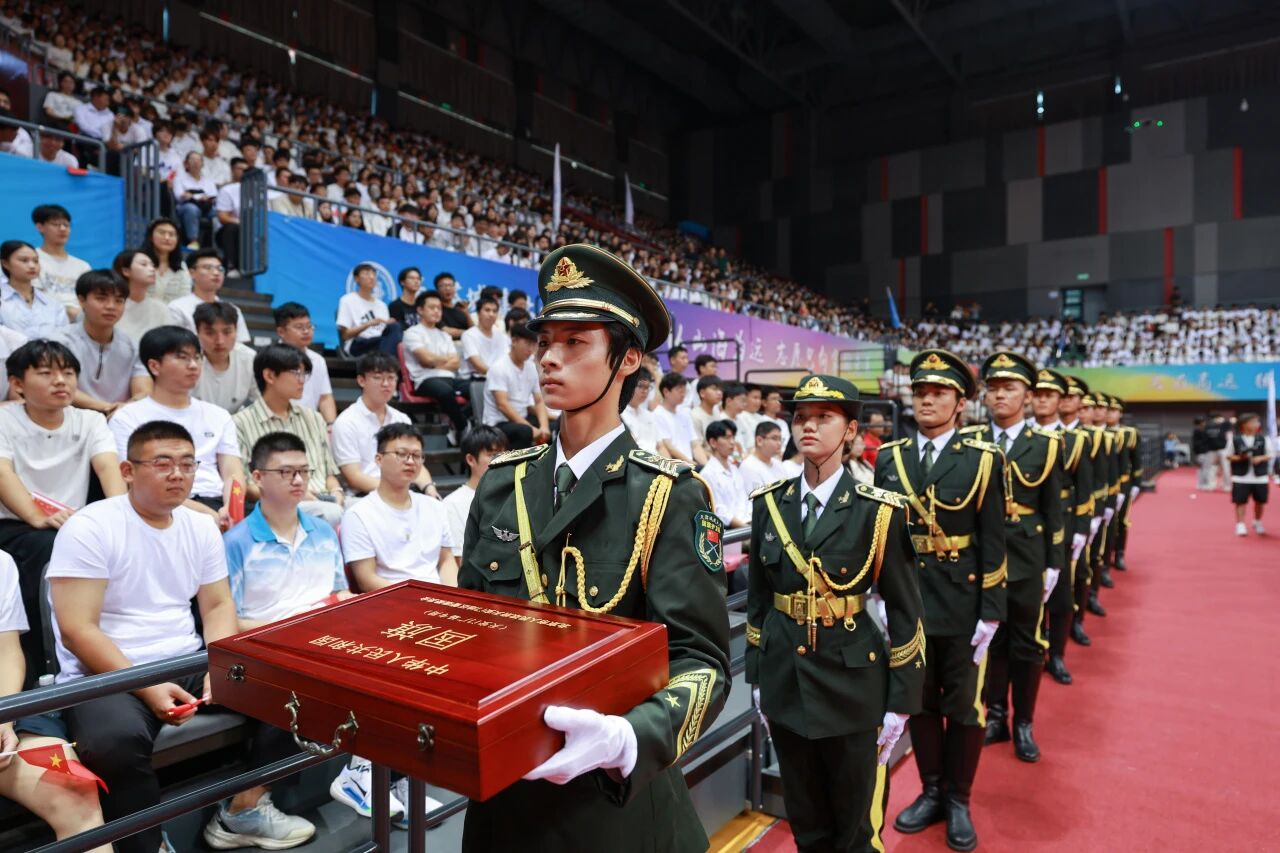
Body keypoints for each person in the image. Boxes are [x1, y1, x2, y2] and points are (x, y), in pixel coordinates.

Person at [458, 244, 730, 851]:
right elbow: (469, 623)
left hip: (615, 803)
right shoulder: (502, 483)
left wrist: (629, 737)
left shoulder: (667, 495)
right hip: (505, 796)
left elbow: (703, 661)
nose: (549, 358)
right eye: (545, 341)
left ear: (627, 359)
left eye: (575, 342)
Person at [49, 420, 314, 853]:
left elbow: (218, 606)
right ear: (128, 471)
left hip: (184, 659)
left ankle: (245, 808)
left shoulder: (200, 526)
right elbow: (78, 630)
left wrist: (220, 665)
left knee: (299, 687)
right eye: (163, 463)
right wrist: (148, 688)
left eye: (188, 464)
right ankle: (146, 845)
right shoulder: (90, 527)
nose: (178, 474)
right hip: (105, 672)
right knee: (113, 741)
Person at [746, 373, 924, 853]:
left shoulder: (879, 511)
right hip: (786, 679)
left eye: (824, 417)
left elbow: (905, 611)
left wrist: (901, 701)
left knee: (853, 829)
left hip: (853, 684)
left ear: (850, 431)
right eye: (801, 417)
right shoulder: (770, 504)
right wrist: (757, 678)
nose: (808, 426)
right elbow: (760, 602)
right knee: (805, 821)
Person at [875, 348, 1006, 852]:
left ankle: (959, 799)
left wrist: (991, 611)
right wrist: (881, 595)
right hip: (910, 604)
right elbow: (885, 537)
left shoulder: (983, 459)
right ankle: (931, 790)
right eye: (921, 392)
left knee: (965, 708)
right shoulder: (891, 458)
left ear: (961, 403)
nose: (927, 401)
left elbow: (993, 539)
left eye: (939, 393)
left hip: (963, 603)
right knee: (921, 703)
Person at [0, 340, 126, 684]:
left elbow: (108, 467)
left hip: (75, 524)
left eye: (68, 373)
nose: (60, 381)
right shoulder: (4, 419)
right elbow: (3, 473)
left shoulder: (89, 420)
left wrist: (122, 519)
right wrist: (36, 516)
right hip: (17, 525)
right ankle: (43, 666)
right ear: (17, 384)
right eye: (46, 373)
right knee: (48, 548)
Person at [961, 352, 1063, 765]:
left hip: (1025, 557)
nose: (1000, 395)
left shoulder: (1047, 445)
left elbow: (1052, 508)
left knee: (1026, 644)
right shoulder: (970, 440)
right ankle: (995, 716)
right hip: (979, 559)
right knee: (990, 642)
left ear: (1027, 396)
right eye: (994, 388)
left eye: (1010, 388)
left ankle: (1023, 722)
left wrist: (1054, 562)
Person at [0, 549, 110, 852]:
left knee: (73, 789)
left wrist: (4, 718)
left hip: (5, 708)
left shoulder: (1, 563)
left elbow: (7, 653)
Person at [109, 326, 245, 531]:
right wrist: (205, 515)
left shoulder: (218, 415)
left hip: (217, 504)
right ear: (154, 366)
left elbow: (233, 473)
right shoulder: (127, 417)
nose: (193, 365)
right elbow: (133, 482)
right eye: (182, 357)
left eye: (197, 357)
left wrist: (231, 509)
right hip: (160, 505)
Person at [224, 431, 351, 629]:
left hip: (328, 631)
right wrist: (293, 628)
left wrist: (349, 600)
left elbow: (339, 592)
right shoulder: (235, 543)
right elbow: (229, 622)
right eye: (286, 472)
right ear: (258, 477)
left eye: (304, 471)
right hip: (271, 639)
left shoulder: (324, 532)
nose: (299, 480)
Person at [233, 345, 344, 526]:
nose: (302, 380)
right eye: (296, 373)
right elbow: (247, 486)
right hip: (280, 504)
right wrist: (295, 495)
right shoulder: (239, 423)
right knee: (331, 513)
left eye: (304, 374)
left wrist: (337, 492)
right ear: (269, 376)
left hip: (325, 499)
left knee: (364, 510)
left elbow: (329, 474)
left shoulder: (314, 418)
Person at [340, 424, 455, 590]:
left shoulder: (435, 507)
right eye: (401, 454)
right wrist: (418, 598)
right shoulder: (358, 515)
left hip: (437, 597)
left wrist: (453, 596)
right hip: (390, 598)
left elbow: (446, 561)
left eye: (417, 455)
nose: (410, 461)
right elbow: (366, 579)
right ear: (379, 459)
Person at [1036, 371, 1093, 686]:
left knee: (1060, 595)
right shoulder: (1019, 437)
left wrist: (1082, 530)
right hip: (1025, 527)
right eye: (1038, 394)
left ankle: (1056, 654)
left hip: (1062, 525)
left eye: (1049, 395)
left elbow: (1084, 489)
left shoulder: (1074, 440)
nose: (1042, 400)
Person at [332, 352, 437, 497]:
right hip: (365, 495)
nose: (386, 384)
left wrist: (429, 488)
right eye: (378, 378)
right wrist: (396, 490)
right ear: (361, 380)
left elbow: (416, 462)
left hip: (404, 491)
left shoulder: (401, 418)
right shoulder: (346, 422)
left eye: (391, 378)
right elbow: (354, 477)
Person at [55, 269, 151, 416]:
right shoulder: (60, 342)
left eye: (119, 301)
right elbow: (60, 387)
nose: (111, 306)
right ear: (81, 300)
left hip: (120, 418)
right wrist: (109, 408)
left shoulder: (132, 347)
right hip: (70, 418)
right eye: (101, 299)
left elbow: (144, 391)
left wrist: (126, 408)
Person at [402, 290, 470, 438]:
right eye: (432, 307)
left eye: (439, 308)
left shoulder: (445, 335)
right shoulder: (412, 333)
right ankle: (463, 427)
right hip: (424, 380)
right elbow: (426, 360)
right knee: (445, 391)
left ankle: (456, 422)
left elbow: (456, 363)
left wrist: (435, 361)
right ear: (420, 310)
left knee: (477, 388)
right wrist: (443, 359)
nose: (436, 311)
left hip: (449, 378)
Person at [442, 425, 508, 560]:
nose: (501, 460)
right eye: (492, 454)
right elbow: (459, 561)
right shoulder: (452, 504)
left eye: (503, 454)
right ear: (471, 459)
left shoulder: (514, 495)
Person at [482, 322, 550, 450]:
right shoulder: (499, 367)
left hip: (522, 418)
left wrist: (544, 427)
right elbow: (502, 405)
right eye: (528, 344)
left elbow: (539, 401)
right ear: (514, 341)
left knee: (553, 426)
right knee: (525, 432)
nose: (531, 349)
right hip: (498, 423)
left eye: (534, 344)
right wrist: (530, 428)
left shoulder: (531, 367)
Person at [168, 249, 251, 344]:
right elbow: (174, 344)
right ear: (191, 273)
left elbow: (241, 345)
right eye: (208, 267)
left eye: (220, 269)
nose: (216, 273)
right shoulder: (177, 308)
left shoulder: (233, 309)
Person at [274, 302, 337, 425]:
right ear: (281, 332)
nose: (306, 331)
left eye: (309, 326)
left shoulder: (318, 360)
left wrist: (331, 424)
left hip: (309, 425)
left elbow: (325, 397)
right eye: (299, 327)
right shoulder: (270, 359)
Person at [193, 301, 258, 413]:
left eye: (227, 332)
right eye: (210, 333)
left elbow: (262, 401)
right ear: (197, 332)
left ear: (236, 331)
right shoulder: (187, 360)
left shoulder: (249, 359)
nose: (220, 341)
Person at [1, 240, 68, 338]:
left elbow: (64, 338)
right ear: (5, 264)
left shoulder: (53, 304)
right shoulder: (2, 300)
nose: (32, 266)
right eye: (24, 260)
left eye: (36, 261)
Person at [337, 263, 401, 357]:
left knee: (395, 327)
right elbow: (345, 335)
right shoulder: (347, 300)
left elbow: (384, 331)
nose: (371, 277)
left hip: (380, 342)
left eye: (374, 274)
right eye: (366, 273)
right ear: (357, 279)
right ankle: (386, 362)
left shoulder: (382, 305)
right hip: (358, 343)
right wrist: (368, 324)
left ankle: (384, 361)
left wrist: (388, 324)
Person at [1227, 413, 1273, 536]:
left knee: (1260, 501)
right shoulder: (1235, 439)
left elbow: (1270, 454)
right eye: (1253, 422)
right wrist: (1241, 457)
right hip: (1240, 476)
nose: (1256, 424)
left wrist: (1260, 458)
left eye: (1257, 422)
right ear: (1244, 424)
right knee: (1240, 501)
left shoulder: (1263, 439)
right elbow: (1229, 455)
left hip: (1260, 476)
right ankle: (1240, 524)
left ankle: (1257, 521)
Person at [114, 249, 171, 343]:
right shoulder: (112, 306)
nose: (152, 269)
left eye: (153, 265)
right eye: (144, 264)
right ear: (126, 271)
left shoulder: (160, 308)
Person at [700, 420, 748, 527]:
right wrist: (746, 529)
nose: (732, 442)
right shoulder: (708, 474)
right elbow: (719, 511)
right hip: (732, 530)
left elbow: (745, 499)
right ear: (713, 442)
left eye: (733, 437)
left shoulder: (734, 467)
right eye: (727, 438)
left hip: (749, 523)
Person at [652, 370, 703, 465]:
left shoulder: (685, 413)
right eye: (680, 391)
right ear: (666, 392)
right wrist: (691, 463)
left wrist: (705, 466)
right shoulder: (657, 414)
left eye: (684, 391)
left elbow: (695, 444)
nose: (683, 394)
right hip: (675, 464)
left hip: (691, 463)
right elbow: (668, 447)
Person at [139, 218, 193, 303]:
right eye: (162, 233)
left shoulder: (182, 266)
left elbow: (185, 297)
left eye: (171, 234)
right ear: (150, 237)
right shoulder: (138, 263)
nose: (167, 238)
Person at [459, 294, 510, 382]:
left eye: (494, 311)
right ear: (478, 313)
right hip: (474, 379)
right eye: (487, 310)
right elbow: (478, 366)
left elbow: (507, 361)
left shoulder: (502, 337)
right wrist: (500, 376)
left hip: (498, 379)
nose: (491, 314)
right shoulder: (469, 335)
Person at [172, 151, 218, 247]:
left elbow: (214, 196)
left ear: (202, 164)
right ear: (186, 164)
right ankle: (193, 241)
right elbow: (179, 196)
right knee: (191, 209)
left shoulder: (209, 181)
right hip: (186, 206)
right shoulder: (179, 179)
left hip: (206, 206)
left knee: (220, 212)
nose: (196, 162)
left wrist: (194, 195)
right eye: (192, 160)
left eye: (198, 160)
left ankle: (217, 243)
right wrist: (196, 196)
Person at [214, 157, 247, 273]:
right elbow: (223, 217)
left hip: (250, 230)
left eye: (246, 170)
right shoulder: (227, 190)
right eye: (240, 169)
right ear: (232, 170)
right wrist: (241, 222)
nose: (243, 172)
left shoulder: (257, 191)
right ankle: (230, 265)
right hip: (227, 231)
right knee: (232, 228)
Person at [739, 420, 786, 495]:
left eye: (780, 439)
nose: (779, 443)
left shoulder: (778, 464)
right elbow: (756, 498)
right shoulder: (748, 466)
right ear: (759, 440)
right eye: (774, 438)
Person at [620, 368, 659, 453]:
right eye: (641, 386)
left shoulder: (650, 415)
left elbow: (660, 446)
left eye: (647, 387)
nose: (645, 391)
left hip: (655, 457)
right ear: (629, 386)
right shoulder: (620, 415)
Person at [689, 375, 724, 456]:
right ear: (702, 393)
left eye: (720, 389)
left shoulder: (716, 411)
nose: (719, 393)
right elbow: (697, 448)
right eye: (714, 389)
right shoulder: (695, 416)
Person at [434, 272, 472, 339]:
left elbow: (473, 330)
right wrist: (469, 333)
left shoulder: (461, 309)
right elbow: (445, 330)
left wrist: (467, 314)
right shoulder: (436, 310)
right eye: (443, 286)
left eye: (451, 285)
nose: (448, 288)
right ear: (437, 290)